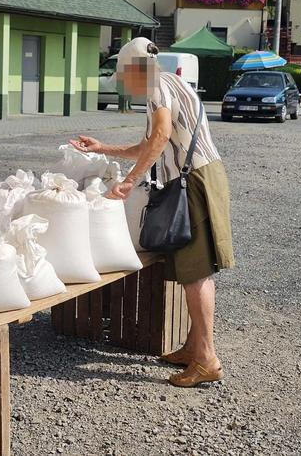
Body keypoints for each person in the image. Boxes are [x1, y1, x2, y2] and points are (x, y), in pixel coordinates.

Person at [70, 37, 234, 387]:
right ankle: (194, 347)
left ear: (135, 70)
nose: (123, 86)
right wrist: (104, 148)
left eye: (123, 78)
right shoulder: (173, 83)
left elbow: (159, 137)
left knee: (195, 272)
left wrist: (129, 182)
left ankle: (206, 359)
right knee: (198, 270)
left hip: (194, 183)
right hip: (202, 177)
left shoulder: (158, 86)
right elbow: (149, 145)